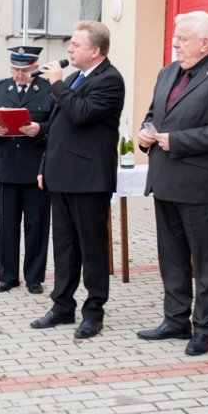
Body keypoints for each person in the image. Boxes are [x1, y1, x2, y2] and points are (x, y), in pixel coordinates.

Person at [135, 11, 208, 356]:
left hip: (200, 185)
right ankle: (175, 319)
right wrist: (146, 131)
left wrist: (178, 140)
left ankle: (205, 327)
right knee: (171, 257)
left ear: (204, 42)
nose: (175, 43)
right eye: (174, 37)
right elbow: (155, 113)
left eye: (181, 38)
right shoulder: (167, 72)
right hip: (165, 179)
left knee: (206, 260)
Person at [29, 21, 125, 339]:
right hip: (61, 176)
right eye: (70, 43)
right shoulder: (73, 78)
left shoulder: (110, 80)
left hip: (89, 178)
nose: (69, 49)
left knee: (92, 248)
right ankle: (62, 306)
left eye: (75, 44)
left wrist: (56, 85)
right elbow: (57, 127)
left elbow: (81, 113)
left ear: (95, 50)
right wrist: (44, 166)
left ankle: (94, 311)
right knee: (66, 247)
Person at [0, 46, 55, 294]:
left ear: (36, 67)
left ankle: (34, 277)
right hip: (8, 166)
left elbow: (58, 126)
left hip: (36, 167)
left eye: (25, 71)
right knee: (7, 225)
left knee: (37, 225)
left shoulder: (49, 90)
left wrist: (40, 130)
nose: (19, 76)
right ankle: (7, 276)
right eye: (15, 70)